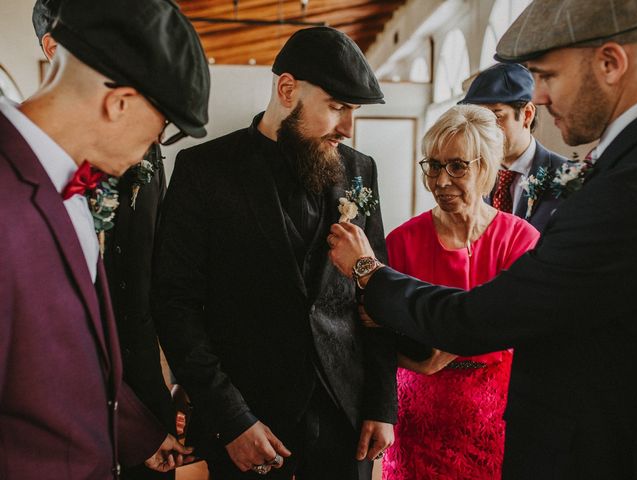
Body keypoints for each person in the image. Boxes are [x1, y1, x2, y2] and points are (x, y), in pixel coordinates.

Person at [327, 1, 637, 478]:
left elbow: (483, 317)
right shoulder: (618, 164)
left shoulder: (627, 182)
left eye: (548, 76)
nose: (540, 100)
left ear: (610, 63)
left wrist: (370, 272)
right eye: (433, 164)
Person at [152, 26, 397, 479]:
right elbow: (175, 305)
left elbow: (373, 293)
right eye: (338, 107)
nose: (348, 128)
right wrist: (232, 419)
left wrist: (382, 403)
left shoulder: (361, 171)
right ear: (287, 89)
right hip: (248, 422)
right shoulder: (203, 171)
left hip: (344, 420)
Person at [0, 0, 210, 477]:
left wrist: (131, 432)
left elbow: (58, 363)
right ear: (119, 102)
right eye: (161, 129)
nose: (152, 147)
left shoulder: (72, 182)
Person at [31, 3, 176, 478]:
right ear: (53, 49)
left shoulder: (143, 145)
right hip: (54, 424)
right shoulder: (29, 173)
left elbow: (162, 267)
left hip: (144, 389)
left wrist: (174, 388)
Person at [381, 105, 539, 480]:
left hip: (496, 416)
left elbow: (527, 321)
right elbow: (371, 326)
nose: (441, 180)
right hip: (418, 418)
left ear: (485, 167)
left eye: (456, 166)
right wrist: (411, 360)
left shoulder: (520, 239)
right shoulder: (402, 241)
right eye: (433, 166)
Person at [459, 62, 566, 231]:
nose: (486, 129)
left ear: (527, 115)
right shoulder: (467, 173)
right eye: (478, 118)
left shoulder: (569, 177)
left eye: (496, 116)